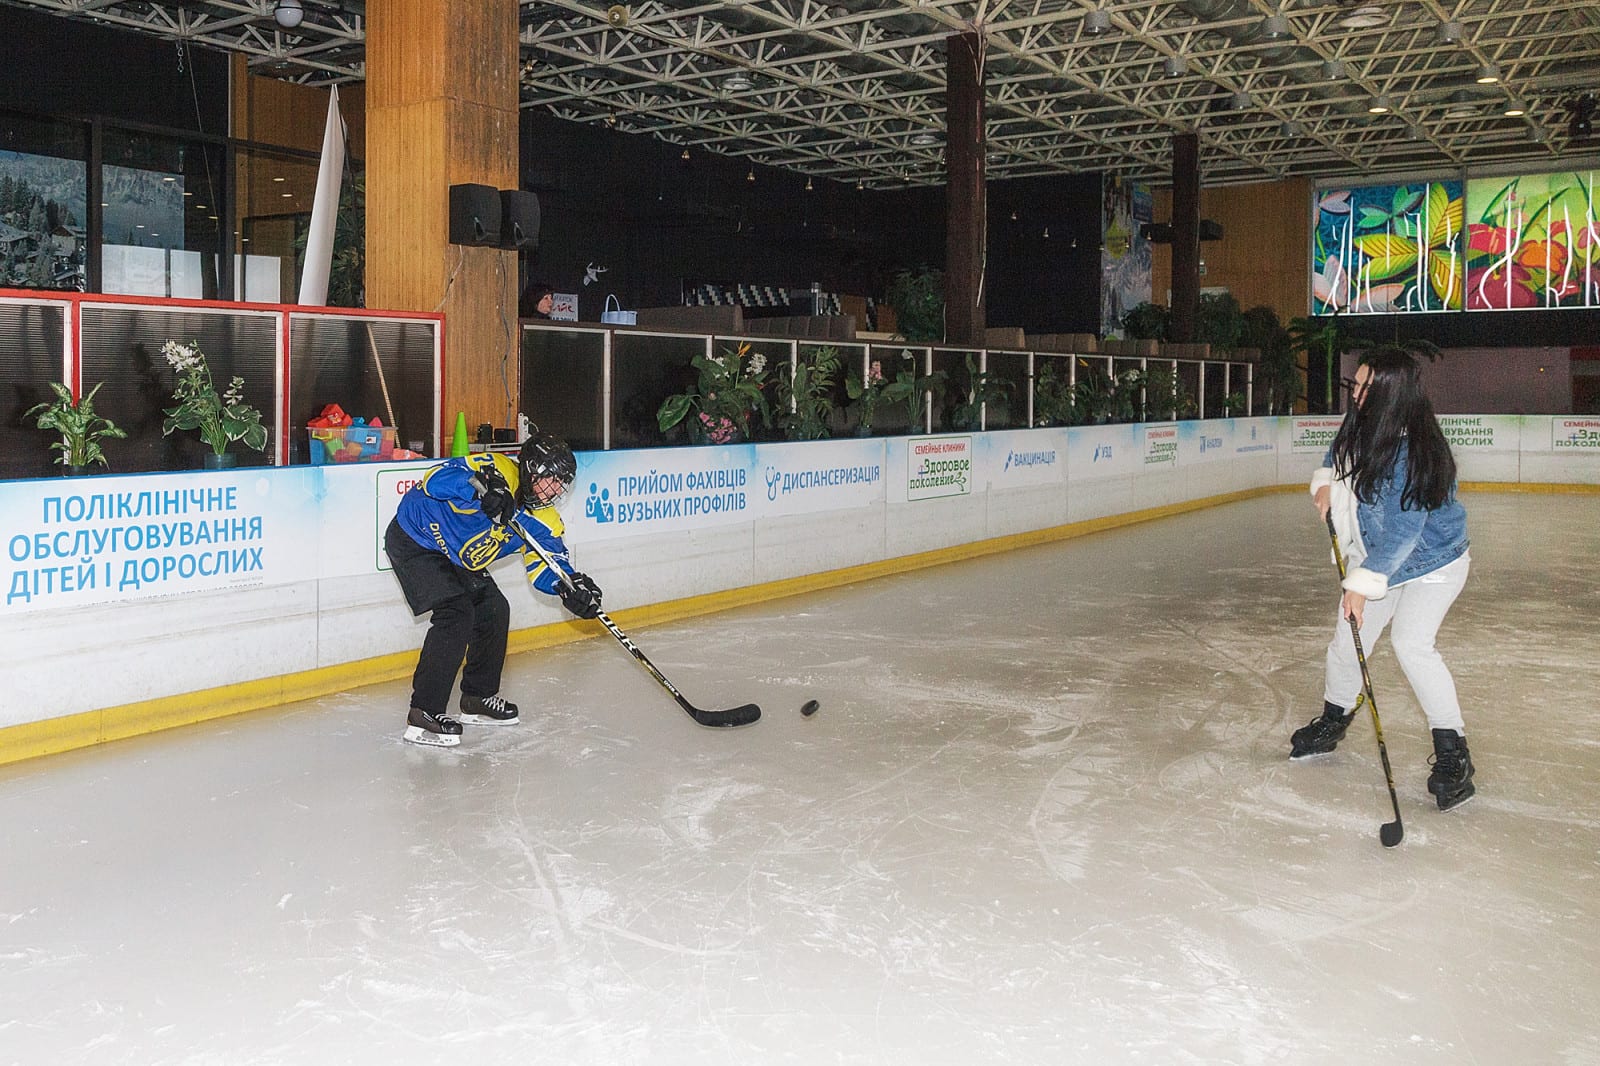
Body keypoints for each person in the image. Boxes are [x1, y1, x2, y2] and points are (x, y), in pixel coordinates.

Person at [1290, 346, 1475, 811]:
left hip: (1434, 562)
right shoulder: (1364, 418)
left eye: (1368, 385)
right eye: (1357, 382)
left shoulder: (1412, 450)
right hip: (1379, 556)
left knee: (1412, 644)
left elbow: (1405, 534)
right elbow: (1338, 451)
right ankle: (1334, 719)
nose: (1357, 391)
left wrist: (1360, 585)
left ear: (1392, 394)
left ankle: (1454, 752)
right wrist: (1327, 481)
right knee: (1346, 639)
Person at [384, 433, 604, 748]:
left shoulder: (542, 519)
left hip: (459, 557)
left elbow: (547, 566)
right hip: (416, 538)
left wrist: (571, 588)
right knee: (456, 614)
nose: (555, 490)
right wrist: (480, 490)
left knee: (494, 610)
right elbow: (434, 479)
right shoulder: (494, 468)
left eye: (561, 483)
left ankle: (477, 697)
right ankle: (424, 713)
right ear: (530, 470)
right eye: (551, 479)